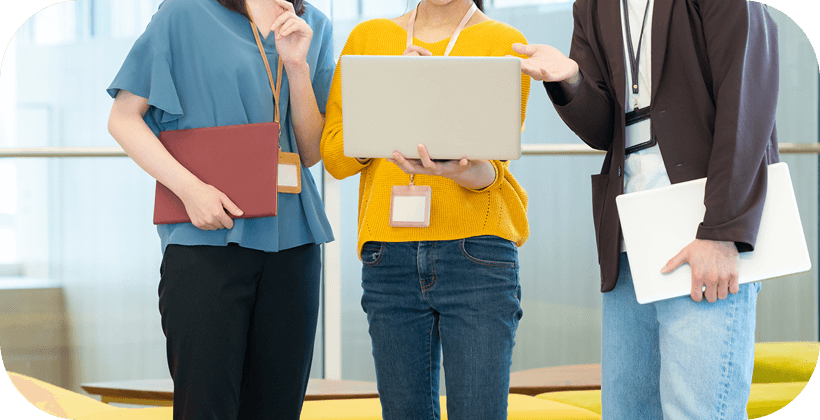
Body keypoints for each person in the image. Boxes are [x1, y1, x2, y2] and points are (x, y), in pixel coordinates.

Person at [514, 0, 778, 418]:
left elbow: (747, 100)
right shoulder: (592, 6)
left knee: (699, 411)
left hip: (703, 231)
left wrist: (721, 231)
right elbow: (604, 130)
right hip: (630, 238)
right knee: (627, 412)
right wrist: (571, 80)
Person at [106, 0, 335, 418]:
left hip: (294, 245)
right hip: (205, 242)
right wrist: (190, 190)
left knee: (277, 409)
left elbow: (311, 150)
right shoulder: (185, 13)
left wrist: (297, 67)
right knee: (205, 408)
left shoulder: (314, 24)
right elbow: (123, 118)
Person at [320, 0, 530, 418]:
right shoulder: (368, 39)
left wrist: (454, 169)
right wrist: (391, 96)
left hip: (477, 253)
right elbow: (334, 157)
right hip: (389, 257)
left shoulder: (505, 43)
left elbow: (493, 170)